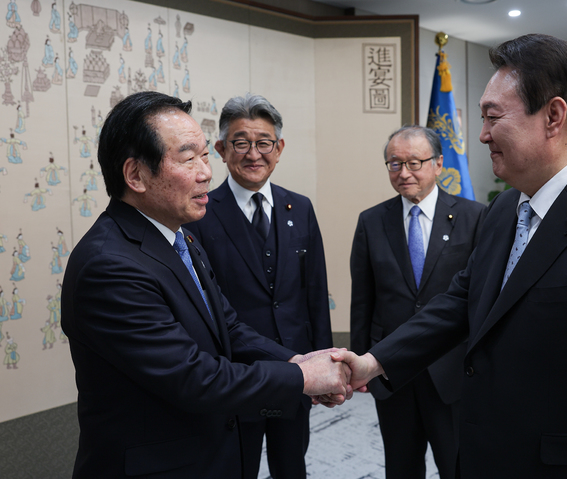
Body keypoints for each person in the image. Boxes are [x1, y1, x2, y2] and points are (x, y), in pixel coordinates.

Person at [339, 34, 567, 478]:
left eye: (492, 117)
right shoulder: (506, 207)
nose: (482, 134)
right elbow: (459, 303)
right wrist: (373, 362)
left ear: (554, 116)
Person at [61, 91, 351, 478]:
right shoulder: (110, 265)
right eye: (188, 158)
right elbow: (194, 377)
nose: (206, 172)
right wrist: (303, 377)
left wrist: (295, 360)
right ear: (135, 175)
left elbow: (227, 327)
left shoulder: (181, 238)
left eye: (204, 155)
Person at [185, 93, 332, 479]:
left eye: (264, 142)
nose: (254, 154)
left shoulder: (299, 207)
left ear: (279, 148)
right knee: (237, 467)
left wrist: (322, 363)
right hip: (236, 375)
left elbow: (315, 292)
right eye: (240, 142)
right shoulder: (199, 213)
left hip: (296, 368)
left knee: (292, 465)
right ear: (220, 149)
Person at [349, 125, 485, 479]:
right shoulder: (371, 220)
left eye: (414, 163)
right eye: (394, 164)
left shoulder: (474, 217)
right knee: (401, 466)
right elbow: (363, 299)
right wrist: (361, 361)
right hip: (392, 371)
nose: (404, 173)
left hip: (451, 371)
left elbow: (481, 298)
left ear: (439, 163)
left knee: (457, 464)